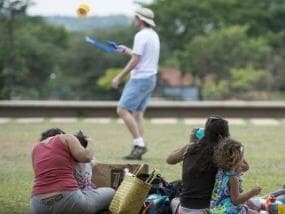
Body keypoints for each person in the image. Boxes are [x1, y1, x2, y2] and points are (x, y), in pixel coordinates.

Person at [111, 7, 160, 160]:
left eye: (135, 18)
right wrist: (126, 50)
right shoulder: (153, 35)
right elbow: (139, 55)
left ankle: (139, 144)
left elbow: (136, 60)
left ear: (140, 20)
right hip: (151, 79)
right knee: (137, 114)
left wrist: (119, 77)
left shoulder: (140, 35)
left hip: (140, 79)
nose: (134, 20)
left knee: (122, 109)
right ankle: (138, 148)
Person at [30, 128, 115, 214]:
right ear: (60, 134)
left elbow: (38, 175)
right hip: (68, 199)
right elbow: (86, 157)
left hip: (37, 204)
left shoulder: (35, 148)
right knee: (111, 193)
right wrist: (90, 141)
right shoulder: (66, 137)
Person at [167, 116, 230, 213]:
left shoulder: (190, 148)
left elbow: (170, 159)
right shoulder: (222, 154)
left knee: (174, 200)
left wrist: (190, 143)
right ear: (221, 138)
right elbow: (244, 167)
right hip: (207, 209)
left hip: (183, 208)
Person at [210, 138, 262, 214]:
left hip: (216, 208)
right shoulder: (233, 178)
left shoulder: (221, 170)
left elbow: (246, 167)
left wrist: (239, 155)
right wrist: (252, 192)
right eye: (242, 158)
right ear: (236, 160)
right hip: (227, 210)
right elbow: (236, 201)